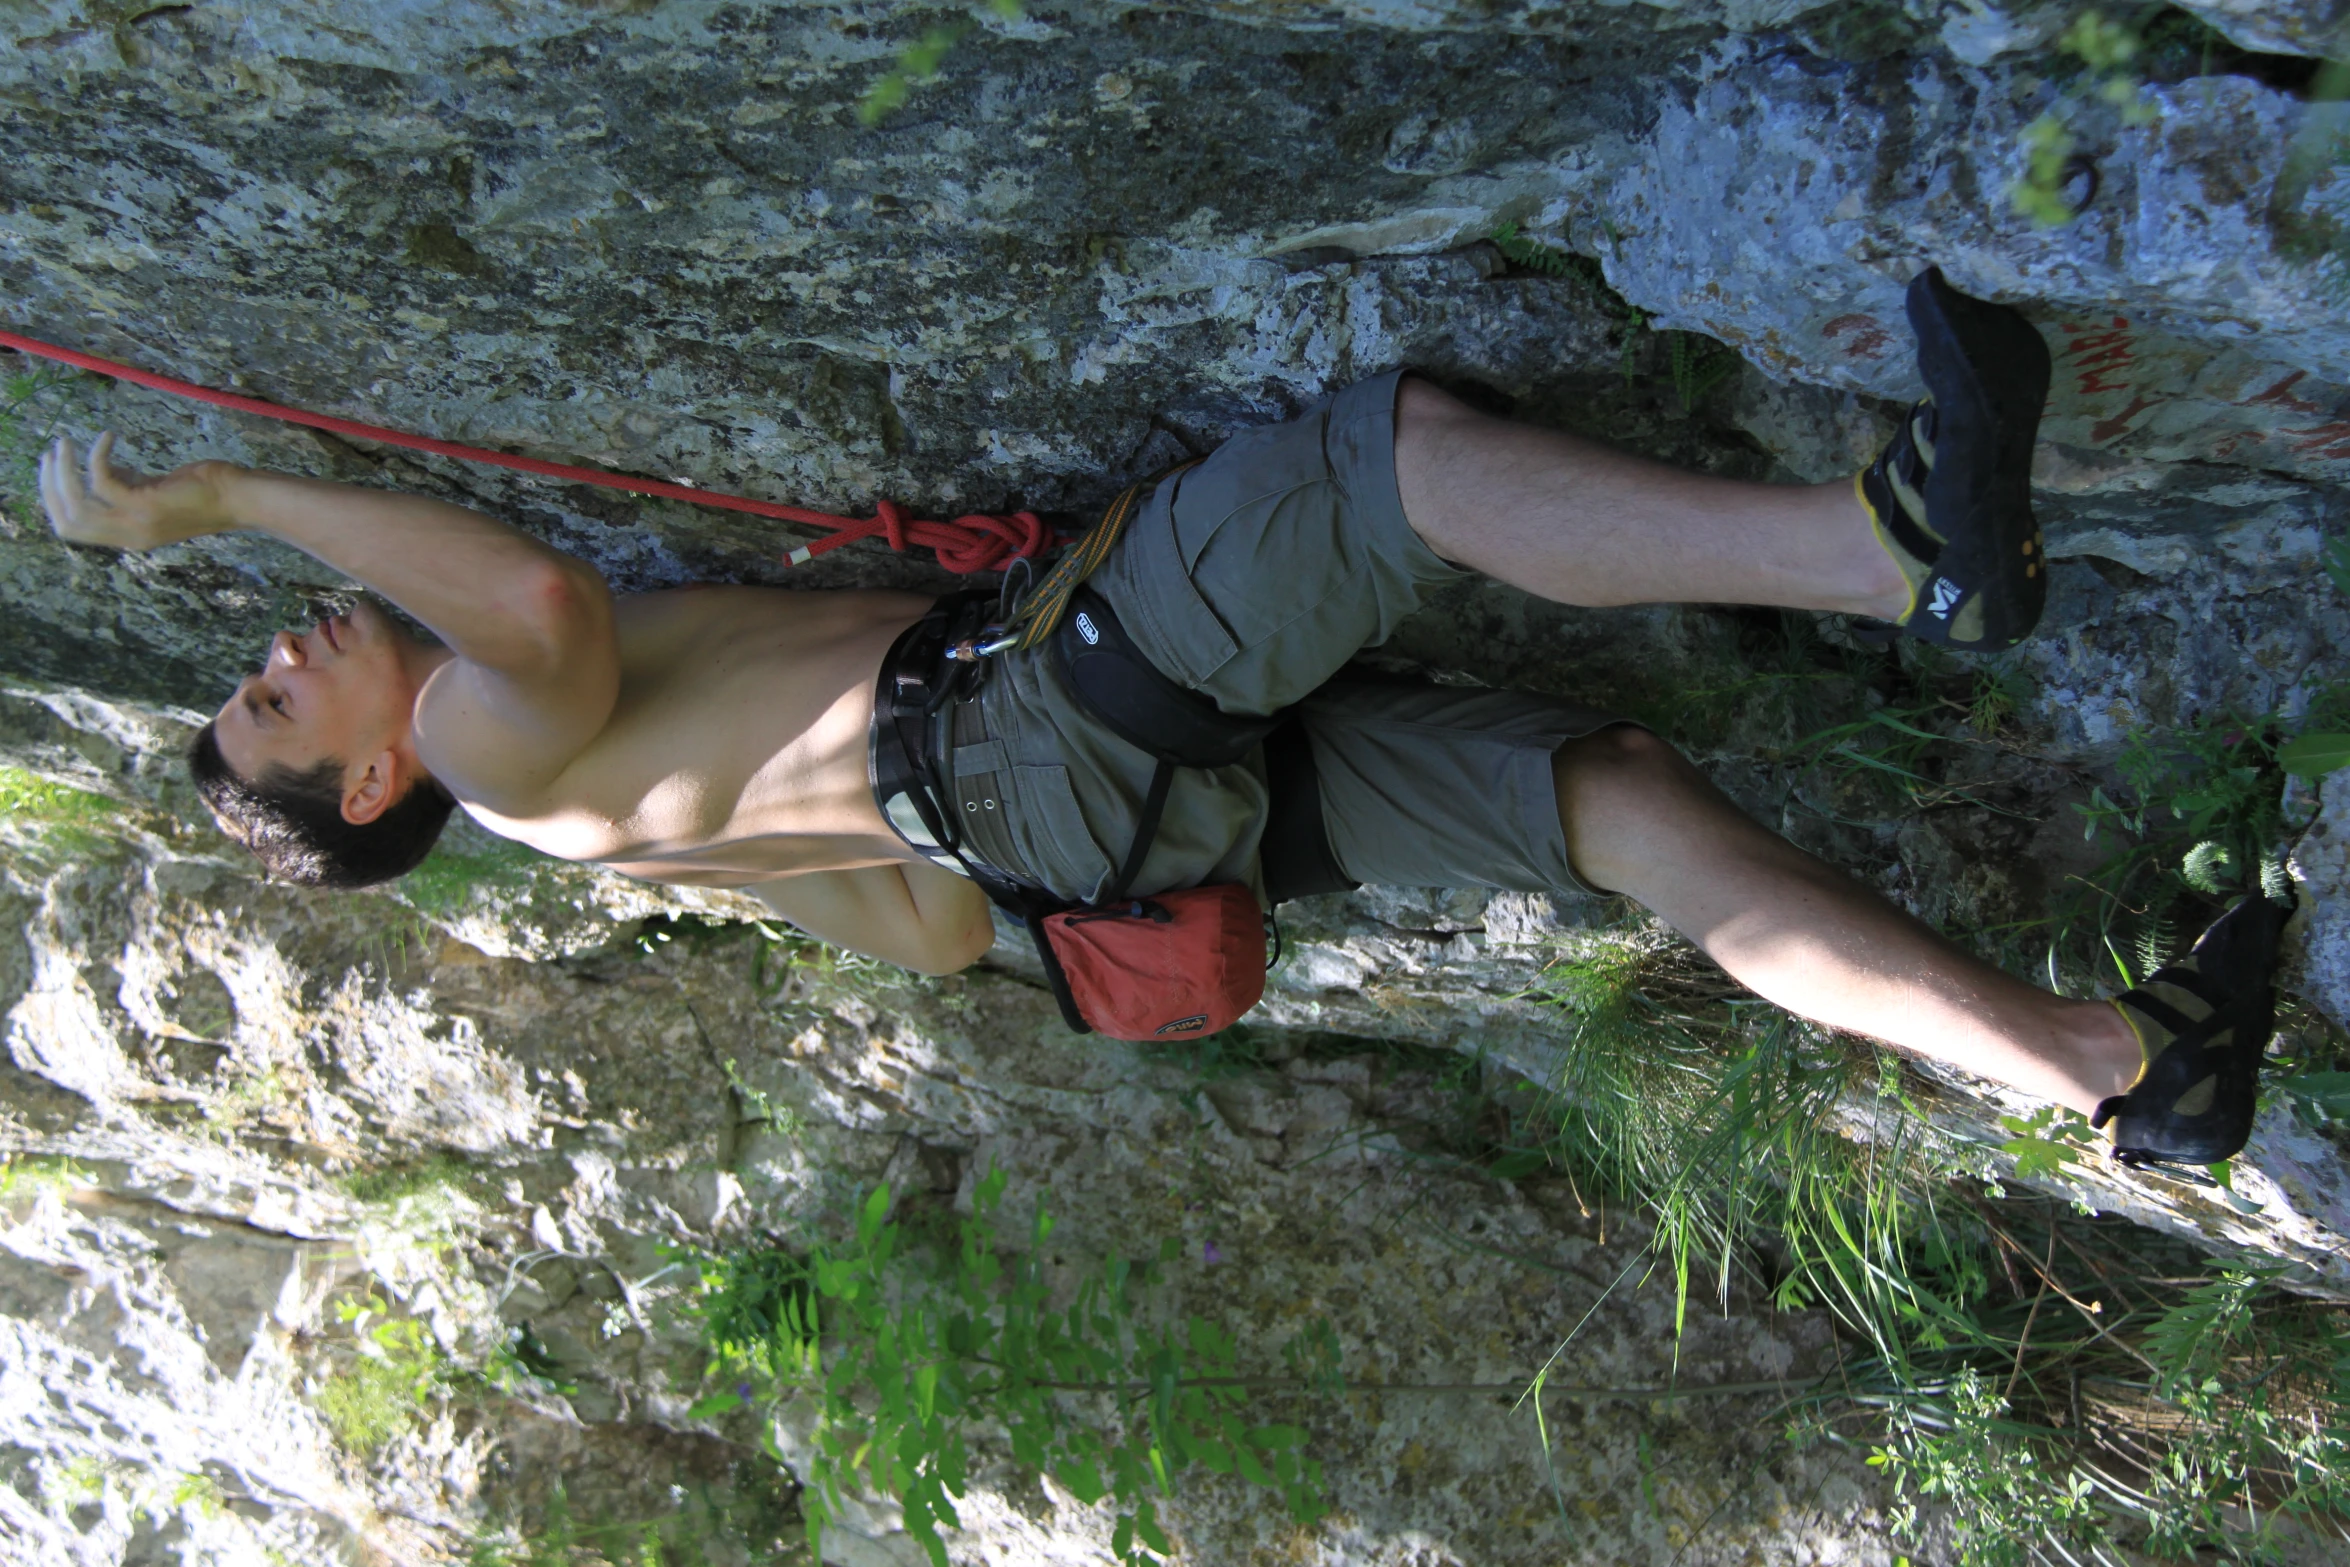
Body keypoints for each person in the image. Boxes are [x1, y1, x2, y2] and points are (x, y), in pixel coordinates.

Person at [38, 270, 2287, 1173]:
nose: (285, 645)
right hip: (1029, 750)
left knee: (1615, 808)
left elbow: (917, 946)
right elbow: (525, 593)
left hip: (1069, 827)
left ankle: (2121, 1072)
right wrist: (217, 489)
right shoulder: (494, 746)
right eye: (266, 694)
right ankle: (1892, 547)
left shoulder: (589, 818)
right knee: (1376, 458)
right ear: (360, 781)